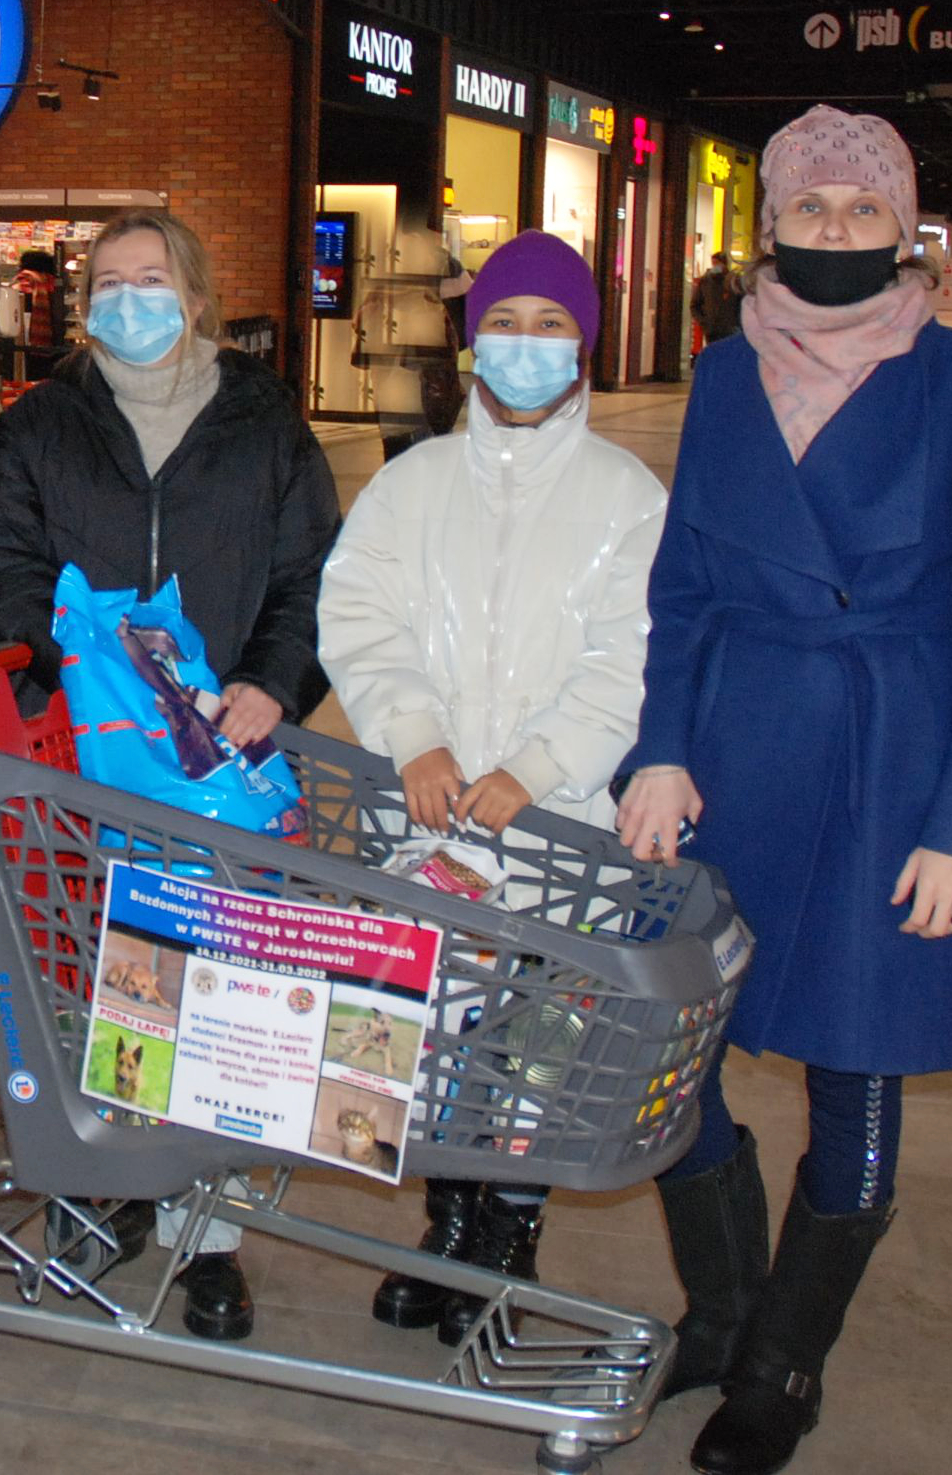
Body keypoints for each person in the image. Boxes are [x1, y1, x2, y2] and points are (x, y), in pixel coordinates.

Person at [616, 106, 952, 1475]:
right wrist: (659, 746)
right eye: (810, 207)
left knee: (857, 1062)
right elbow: (684, 587)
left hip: (891, 757)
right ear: (772, 226)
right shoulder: (727, 373)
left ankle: (784, 1363)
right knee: (671, 1056)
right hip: (735, 752)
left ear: (902, 229)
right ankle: (724, 1313)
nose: (835, 229)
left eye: (863, 209)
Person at [0, 207, 342, 1344]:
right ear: (86, 307)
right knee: (100, 976)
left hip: (224, 758)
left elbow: (312, 571)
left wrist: (272, 681)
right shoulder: (40, 426)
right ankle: (115, 1184)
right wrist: (71, 658)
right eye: (111, 283)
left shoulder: (264, 425)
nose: (131, 300)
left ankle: (207, 1231)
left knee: (221, 986)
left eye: (153, 278)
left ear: (196, 295)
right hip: (90, 757)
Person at [318, 230, 667, 1347]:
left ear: (583, 345)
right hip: (427, 814)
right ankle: (448, 1219)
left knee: (538, 1038)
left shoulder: (625, 497)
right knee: (432, 1024)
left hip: (560, 823)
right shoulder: (411, 484)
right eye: (505, 323)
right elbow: (359, 615)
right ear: (474, 342)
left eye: (550, 325)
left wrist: (541, 766)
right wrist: (413, 737)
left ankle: (510, 1231)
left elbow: (632, 652)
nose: (525, 344)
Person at [691, 250, 739, 359]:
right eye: (713, 263)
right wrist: (704, 322)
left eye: (717, 263)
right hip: (712, 330)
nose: (715, 266)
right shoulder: (705, 281)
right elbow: (695, 304)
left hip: (729, 330)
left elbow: (739, 304)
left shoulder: (733, 282)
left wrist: (735, 323)